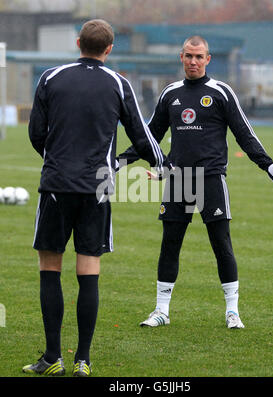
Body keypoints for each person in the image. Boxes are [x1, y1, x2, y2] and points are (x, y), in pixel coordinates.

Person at [23, 19, 169, 377]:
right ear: (109, 49)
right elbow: (141, 134)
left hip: (56, 184)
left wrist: (57, 160)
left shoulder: (50, 77)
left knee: (50, 268)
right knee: (88, 269)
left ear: (77, 43)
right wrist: (164, 165)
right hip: (97, 187)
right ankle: (83, 361)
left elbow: (36, 133)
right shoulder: (118, 84)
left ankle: (52, 357)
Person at [117, 36, 273, 329]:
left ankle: (232, 312)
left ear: (208, 59)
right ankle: (161, 311)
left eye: (199, 57)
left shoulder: (221, 92)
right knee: (169, 245)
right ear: (181, 57)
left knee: (221, 244)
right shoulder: (170, 94)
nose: (193, 62)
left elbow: (244, 133)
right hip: (178, 179)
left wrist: (268, 165)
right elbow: (149, 137)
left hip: (211, 178)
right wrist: (120, 161)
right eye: (188, 56)